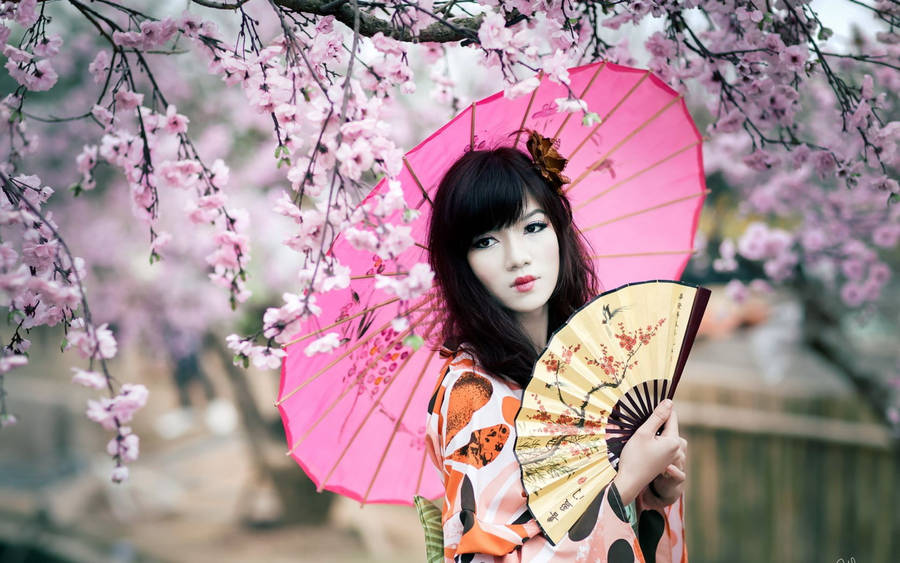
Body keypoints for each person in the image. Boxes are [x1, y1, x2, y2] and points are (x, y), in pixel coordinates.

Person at [424, 135, 689, 562]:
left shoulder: (589, 370)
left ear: (560, 231)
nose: (517, 257)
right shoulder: (472, 393)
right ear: (461, 264)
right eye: (485, 241)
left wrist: (654, 493)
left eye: (533, 227)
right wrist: (623, 488)